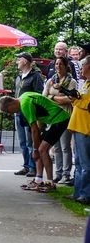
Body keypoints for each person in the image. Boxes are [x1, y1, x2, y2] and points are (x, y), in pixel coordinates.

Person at [0, 90, 70, 192]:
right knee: (37, 148)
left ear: (10, 104)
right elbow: (39, 114)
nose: (10, 113)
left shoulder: (24, 105)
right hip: (53, 120)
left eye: (8, 111)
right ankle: (38, 179)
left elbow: (34, 129)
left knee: (41, 150)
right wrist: (35, 146)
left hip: (59, 119)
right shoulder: (24, 96)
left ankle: (50, 183)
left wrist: (36, 149)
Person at [43, 56, 78, 185]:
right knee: (56, 146)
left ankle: (66, 174)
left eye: (60, 64)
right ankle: (57, 173)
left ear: (65, 65)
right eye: (56, 64)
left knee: (65, 146)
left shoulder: (71, 81)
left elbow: (71, 99)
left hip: (65, 116)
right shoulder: (51, 81)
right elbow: (44, 97)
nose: (58, 66)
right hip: (53, 117)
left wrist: (54, 97)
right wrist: (58, 96)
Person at [13, 52, 45, 177]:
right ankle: (26, 165)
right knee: (22, 141)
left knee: (30, 141)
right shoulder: (19, 77)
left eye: (19, 59)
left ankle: (33, 166)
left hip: (29, 112)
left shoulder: (35, 76)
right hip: (18, 112)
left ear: (25, 61)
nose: (17, 62)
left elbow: (39, 93)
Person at [66, 57, 90, 205]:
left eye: (82, 65)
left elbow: (88, 104)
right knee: (79, 163)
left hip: (85, 127)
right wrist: (75, 98)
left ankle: (85, 194)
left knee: (85, 164)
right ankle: (77, 192)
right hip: (77, 126)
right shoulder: (85, 83)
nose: (80, 68)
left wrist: (77, 100)